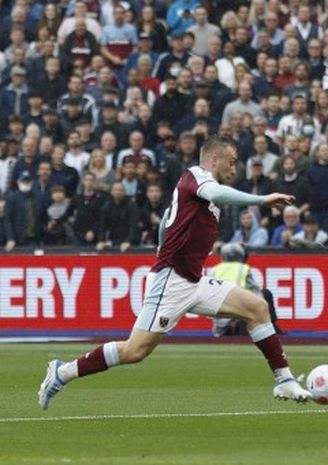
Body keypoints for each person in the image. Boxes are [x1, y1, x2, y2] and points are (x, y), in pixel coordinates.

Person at [38, 136, 311, 410]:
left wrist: (163, 245)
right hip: (171, 280)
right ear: (214, 160)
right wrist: (263, 199)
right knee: (135, 351)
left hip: (194, 280)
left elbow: (168, 220)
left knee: (257, 307)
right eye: (232, 161)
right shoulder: (196, 176)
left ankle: (284, 379)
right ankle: (63, 372)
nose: (234, 167)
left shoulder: (197, 189)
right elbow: (215, 195)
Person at [211, 242, 284, 337]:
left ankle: (223, 328)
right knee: (265, 294)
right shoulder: (243, 268)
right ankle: (270, 327)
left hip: (220, 316)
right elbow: (257, 293)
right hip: (239, 311)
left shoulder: (215, 269)